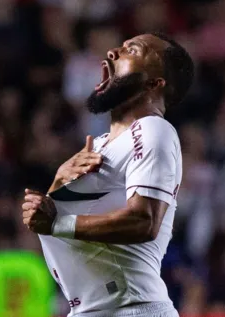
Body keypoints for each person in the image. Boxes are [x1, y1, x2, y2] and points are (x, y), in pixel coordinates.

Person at [21, 33, 194, 317]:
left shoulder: (153, 129)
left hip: (131, 309)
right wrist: (54, 189)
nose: (113, 52)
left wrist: (57, 223)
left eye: (132, 50)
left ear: (154, 83)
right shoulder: (99, 146)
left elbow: (144, 221)